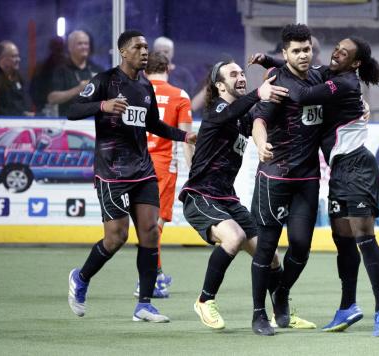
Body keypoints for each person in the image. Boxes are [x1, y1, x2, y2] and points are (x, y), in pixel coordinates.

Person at [252, 37, 379, 336]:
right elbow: (300, 67)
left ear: (355, 63)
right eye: (337, 48)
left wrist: (272, 82)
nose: (337, 52)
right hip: (339, 172)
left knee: (363, 237)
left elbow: (303, 94)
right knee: (342, 240)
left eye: (344, 52)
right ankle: (348, 306)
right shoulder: (330, 74)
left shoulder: (345, 83)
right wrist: (271, 63)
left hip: (357, 167)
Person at [66, 30, 197, 323]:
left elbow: (153, 124)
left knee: (150, 231)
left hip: (142, 169)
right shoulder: (104, 81)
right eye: (138, 47)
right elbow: (72, 110)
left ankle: (144, 305)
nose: (144, 51)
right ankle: (81, 277)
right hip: (111, 172)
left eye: (146, 47)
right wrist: (103, 105)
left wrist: (184, 136)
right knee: (117, 238)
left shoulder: (145, 86)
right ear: (123, 52)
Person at [180, 60, 314, 332]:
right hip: (201, 195)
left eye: (242, 72)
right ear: (219, 85)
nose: (241, 77)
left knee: (272, 255)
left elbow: (258, 121)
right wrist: (258, 94)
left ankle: (280, 312)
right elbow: (228, 114)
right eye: (233, 74)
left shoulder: (244, 115)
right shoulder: (218, 109)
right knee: (234, 237)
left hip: (228, 199)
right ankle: (205, 300)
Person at [249, 23, 324, 336]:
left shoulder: (320, 77)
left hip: (307, 178)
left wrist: (361, 105)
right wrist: (260, 143)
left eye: (306, 49)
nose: (303, 55)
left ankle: (281, 293)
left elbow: (344, 90)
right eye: (296, 51)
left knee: (301, 248)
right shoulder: (278, 84)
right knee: (266, 248)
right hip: (274, 176)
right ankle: (258, 314)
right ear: (285, 53)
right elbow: (259, 120)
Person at [132, 51, 195, 299]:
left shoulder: (134, 92)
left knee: (144, 224)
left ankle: (155, 272)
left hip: (133, 164)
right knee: (155, 225)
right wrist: (194, 171)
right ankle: (146, 280)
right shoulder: (179, 96)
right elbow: (186, 140)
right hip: (161, 166)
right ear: (168, 68)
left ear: (145, 71)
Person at [47, 30, 104, 117]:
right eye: (80, 44)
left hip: (93, 122)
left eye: (86, 43)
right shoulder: (61, 70)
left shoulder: (98, 69)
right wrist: (79, 89)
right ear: (70, 47)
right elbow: (52, 98)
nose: (84, 47)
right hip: (70, 123)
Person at [0, 40, 33, 116]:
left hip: (21, 122)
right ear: (2, 58)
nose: (18, 59)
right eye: (14, 56)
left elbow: (24, 102)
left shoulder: (19, 77)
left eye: (18, 56)